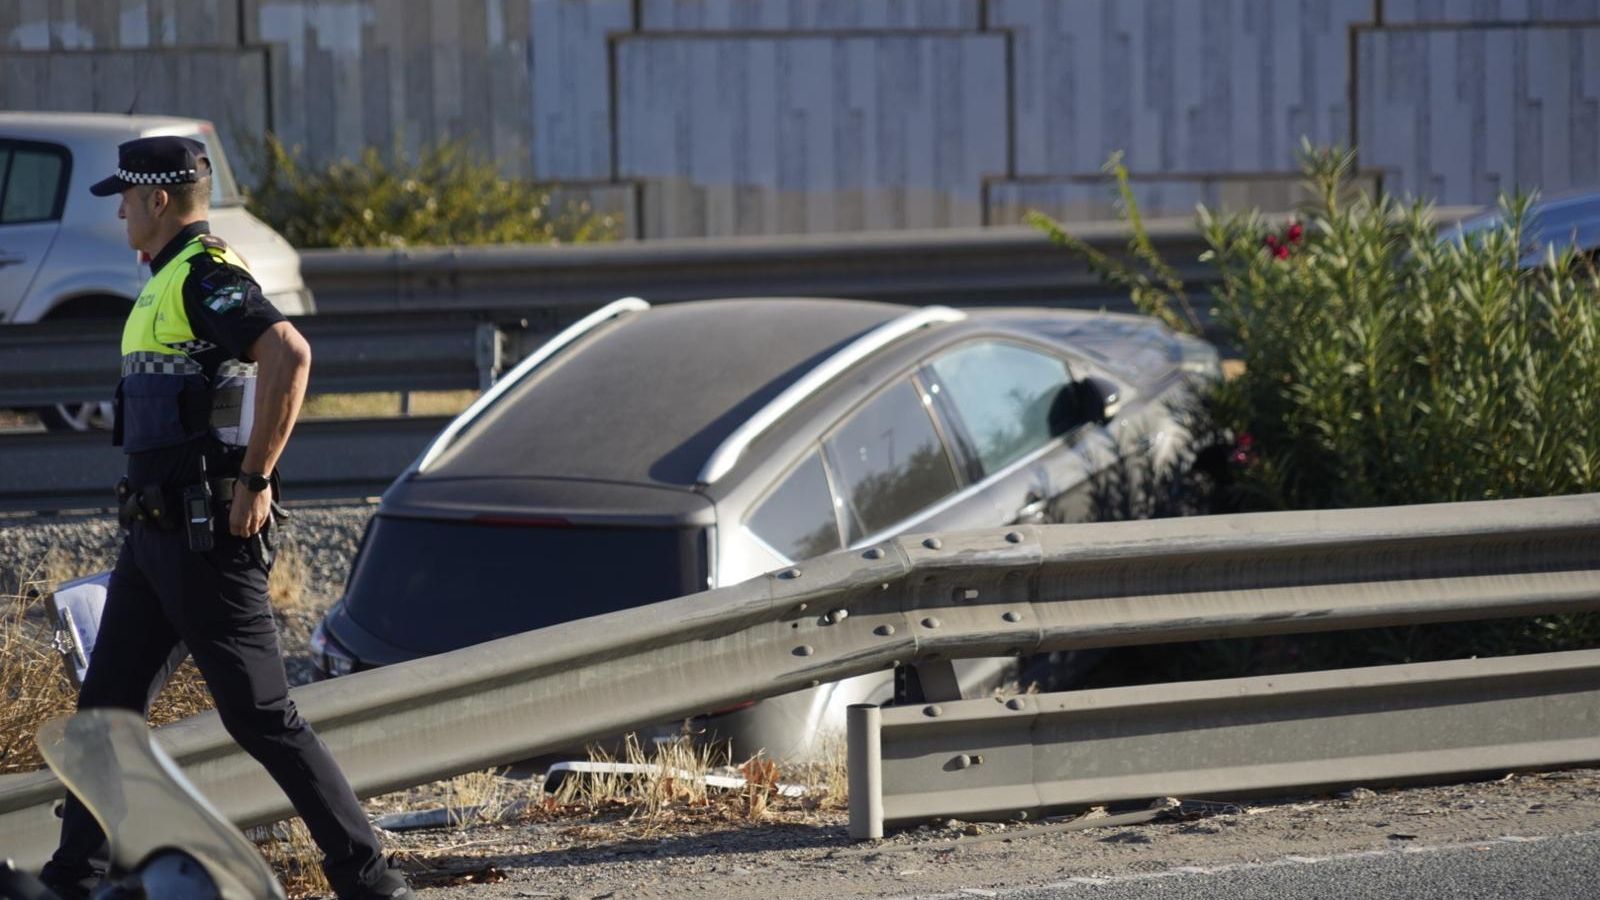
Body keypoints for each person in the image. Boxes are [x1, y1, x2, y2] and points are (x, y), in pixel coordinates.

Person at [37, 136, 413, 900]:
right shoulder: (164, 279)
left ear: (159, 201)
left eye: (125, 198)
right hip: (153, 539)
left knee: (262, 717)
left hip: (207, 537)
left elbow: (288, 352)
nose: (118, 212)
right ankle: (73, 879)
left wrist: (256, 480)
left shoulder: (205, 275)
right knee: (104, 714)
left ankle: (369, 881)